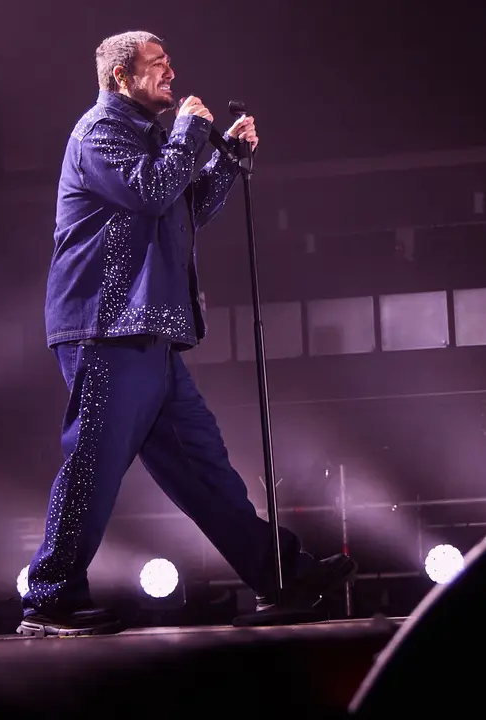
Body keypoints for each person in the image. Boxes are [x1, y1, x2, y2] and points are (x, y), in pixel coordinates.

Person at [20, 31, 356, 637]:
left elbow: (183, 206)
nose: (172, 75)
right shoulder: (97, 131)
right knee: (93, 464)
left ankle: (281, 576)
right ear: (121, 77)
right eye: (158, 66)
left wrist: (224, 158)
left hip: (149, 333)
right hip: (105, 328)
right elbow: (149, 192)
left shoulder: (150, 139)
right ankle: (51, 598)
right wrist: (190, 135)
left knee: (206, 469)